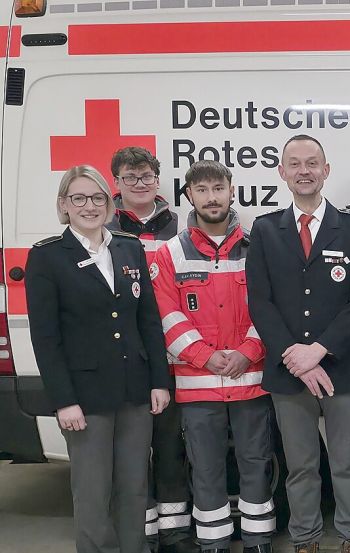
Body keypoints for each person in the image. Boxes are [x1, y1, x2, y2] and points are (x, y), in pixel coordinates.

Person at [25, 165, 172, 553]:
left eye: (97, 198)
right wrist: (63, 400)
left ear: (109, 203)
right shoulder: (48, 257)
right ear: (64, 204)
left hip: (135, 390)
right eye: (78, 198)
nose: (89, 206)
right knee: (92, 494)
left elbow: (148, 320)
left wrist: (159, 381)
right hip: (85, 398)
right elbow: (45, 337)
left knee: (134, 489)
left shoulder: (128, 247)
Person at [246, 134, 350, 553]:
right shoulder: (266, 230)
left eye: (313, 163)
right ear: (282, 172)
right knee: (300, 466)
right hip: (288, 373)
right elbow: (260, 303)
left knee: (347, 464)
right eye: (295, 164)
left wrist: (318, 351)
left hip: (342, 368)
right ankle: (306, 537)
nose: (304, 170)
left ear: (326, 171)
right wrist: (296, 357)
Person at [151, 161, 275, 553]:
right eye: (201, 189)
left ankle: (258, 540)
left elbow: (271, 308)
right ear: (189, 195)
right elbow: (165, 314)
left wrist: (249, 351)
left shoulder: (259, 247)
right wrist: (205, 356)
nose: (211, 197)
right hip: (197, 385)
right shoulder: (170, 253)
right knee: (205, 469)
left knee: (256, 463)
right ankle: (214, 542)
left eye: (218, 188)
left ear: (232, 191)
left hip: (251, 380)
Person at [106, 146, 194, 553]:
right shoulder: (103, 227)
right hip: (128, 358)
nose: (139, 184)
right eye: (130, 177)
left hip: (175, 355)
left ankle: (175, 534)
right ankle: (140, 534)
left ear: (159, 181)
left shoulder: (182, 226)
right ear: (117, 183)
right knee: (133, 453)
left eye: (146, 176)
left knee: (171, 448)